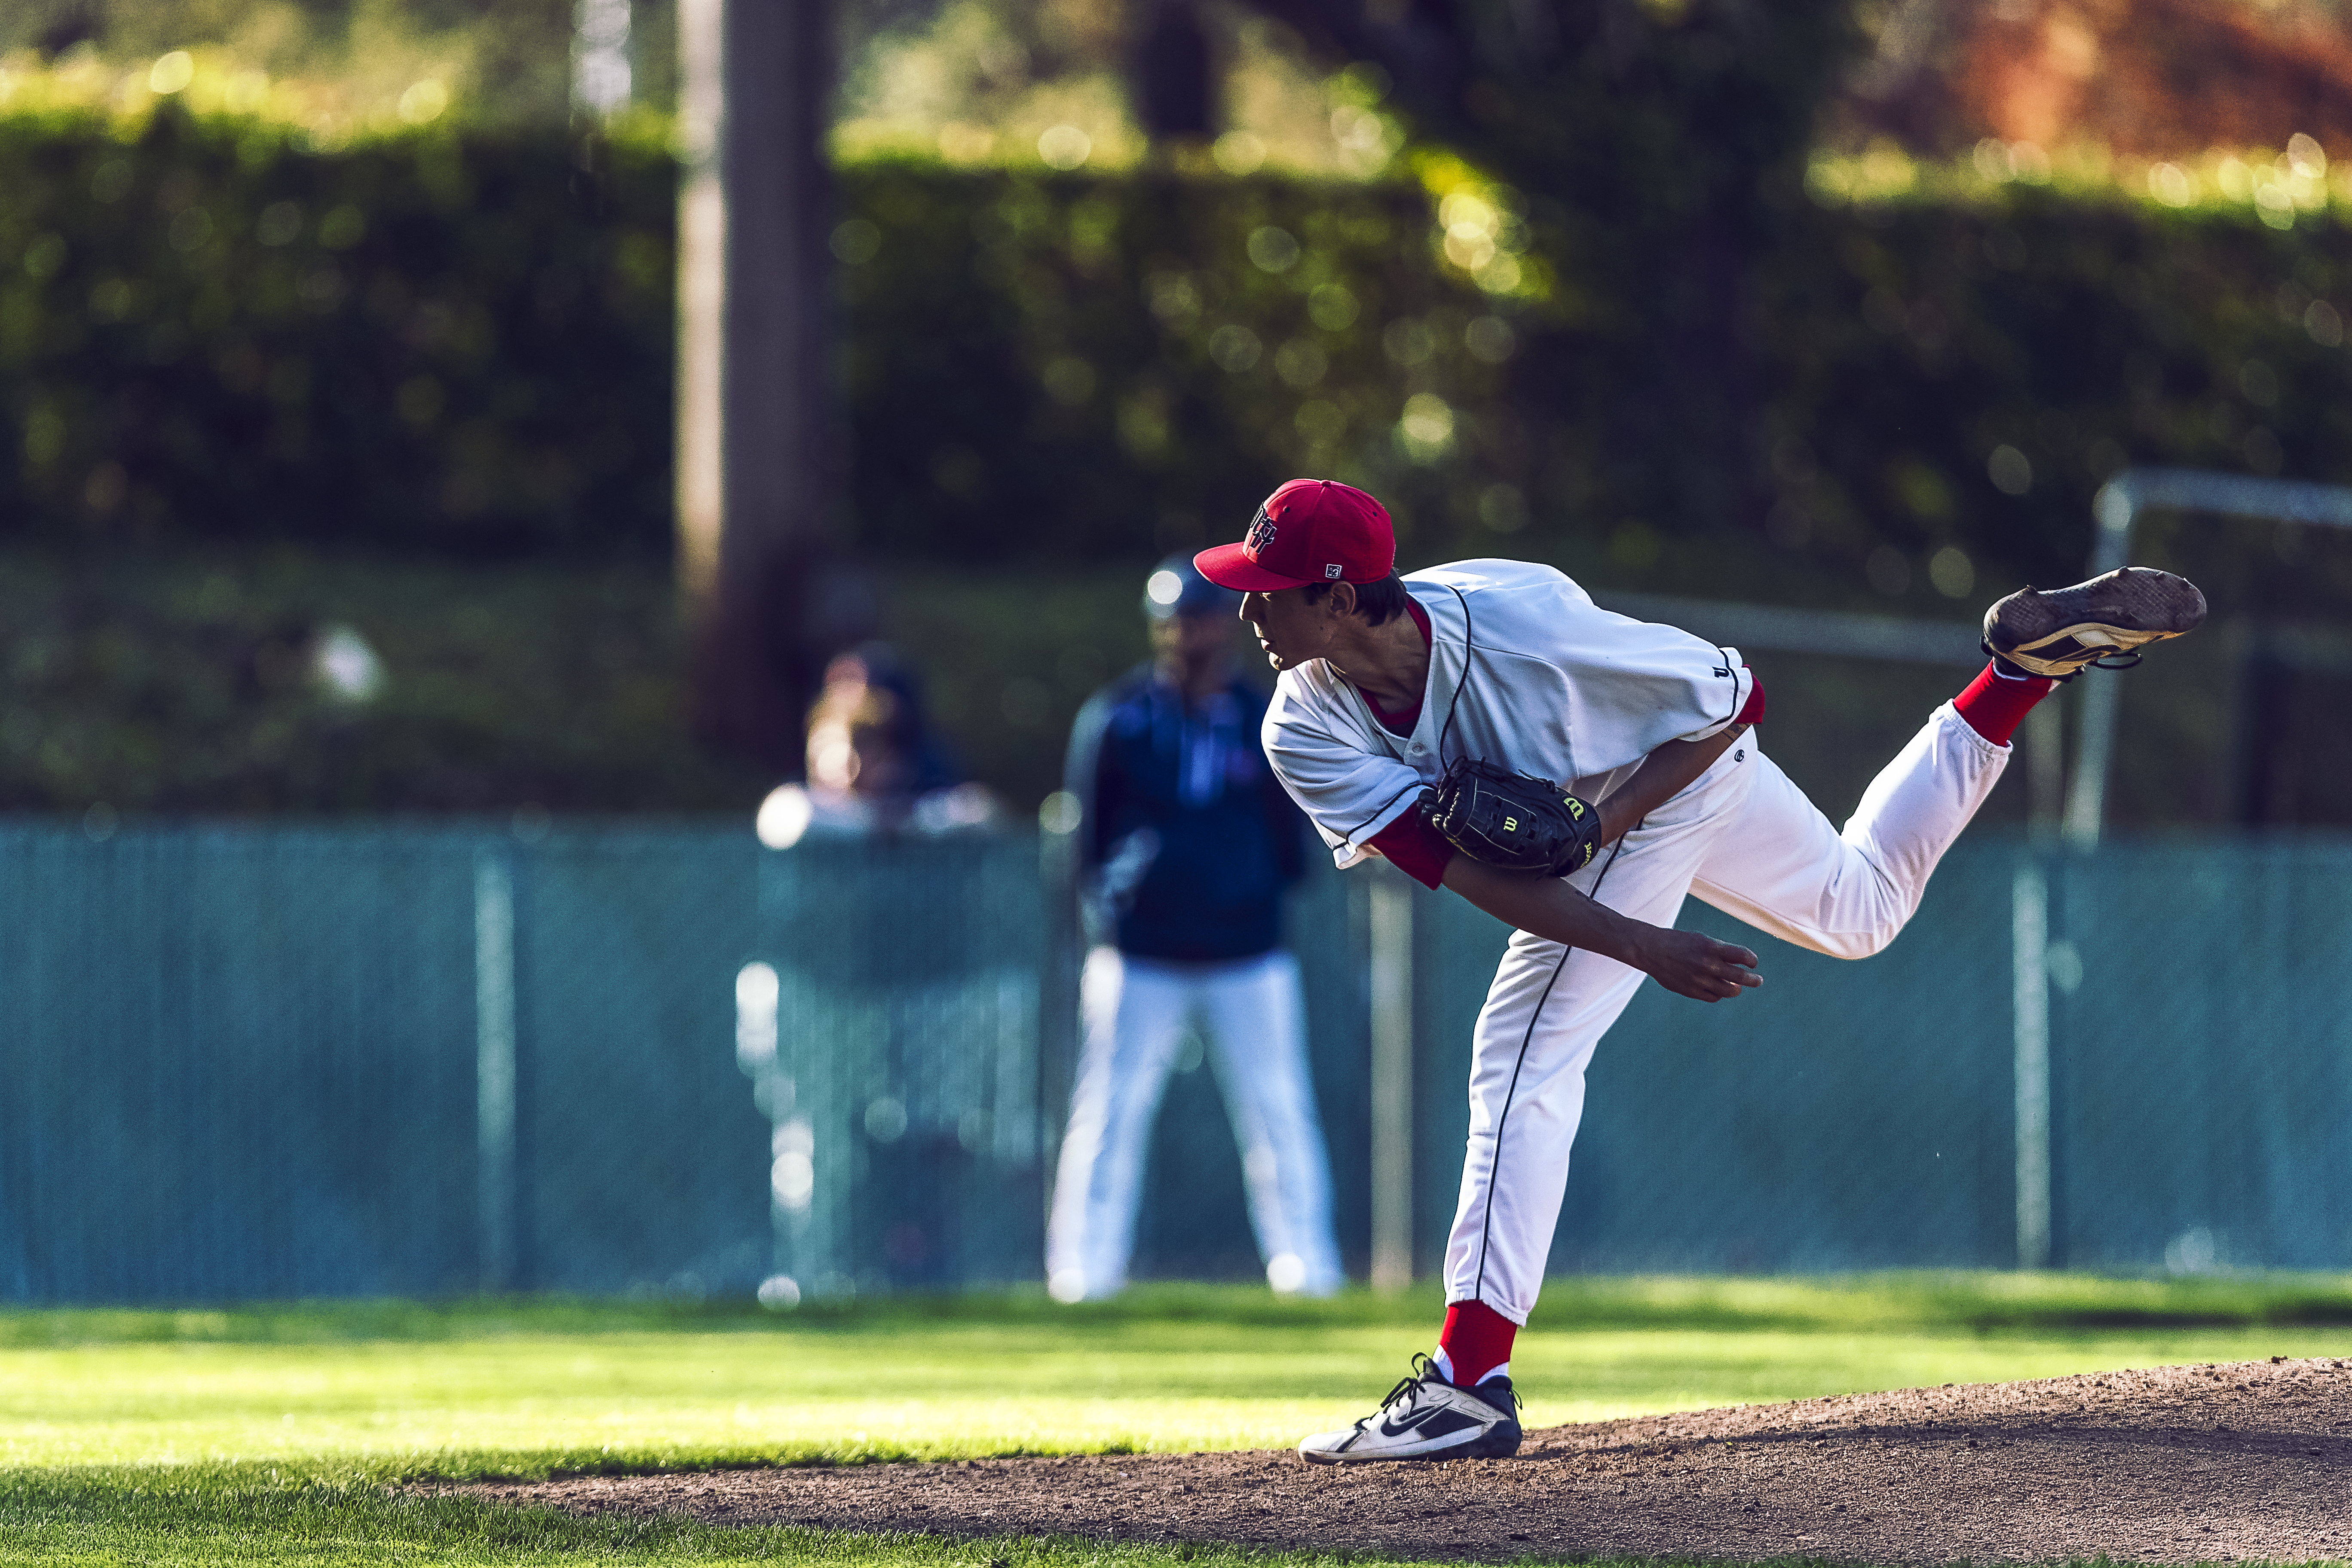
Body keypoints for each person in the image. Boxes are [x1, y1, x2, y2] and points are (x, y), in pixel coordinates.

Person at [1193, 477, 2205, 1463]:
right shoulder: (1302, 720)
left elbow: (1736, 698)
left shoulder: (1522, 631)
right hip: (1602, 814)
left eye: (1268, 588)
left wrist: (1611, 836)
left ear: (1337, 598)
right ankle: (2020, 673)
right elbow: (1455, 866)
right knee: (1860, 912)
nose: (1246, 608)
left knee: (1522, 1056)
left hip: (1674, 771)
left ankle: (1466, 1383)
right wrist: (1628, 924)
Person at [1045, 557, 1345, 1303]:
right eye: (1179, 623)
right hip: (1141, 952)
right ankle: (1083, 1274)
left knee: (1277, 1108)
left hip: (1248, 949)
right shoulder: (1121, 719)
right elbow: (1088, 840)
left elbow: (1292, 836)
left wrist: (1248, 892)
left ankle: (1306, 1269)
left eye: (1206, 620)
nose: (1192, 637)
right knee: (1109, 1114)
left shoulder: (1264, 715)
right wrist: (1121, 909)